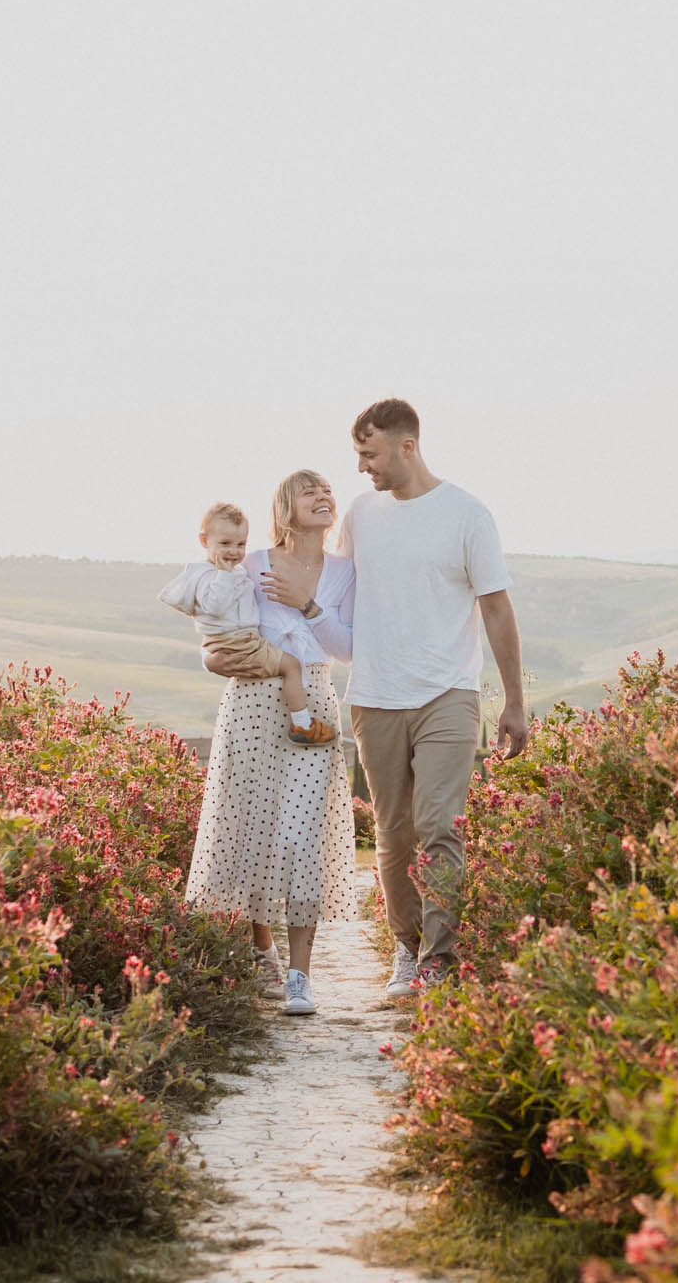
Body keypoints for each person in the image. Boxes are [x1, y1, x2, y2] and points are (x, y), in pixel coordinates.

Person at [335, 398, 527, 998]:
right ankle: (407, 947)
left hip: (449, 693)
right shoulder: (361, 516)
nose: (363, 467)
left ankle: (439, 960)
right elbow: (333, 600)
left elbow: (496, 607)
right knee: (393, 832)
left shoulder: (467, 515)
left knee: (440, 825)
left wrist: (514, 702)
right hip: (374, 696)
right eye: (358, 455)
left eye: (369, 453)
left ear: (406, 446)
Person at [185, 470, 360, 1015]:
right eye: (310, 491)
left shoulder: (343, 571)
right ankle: (261, 947)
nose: (324, 497)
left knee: (302, 834)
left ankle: (300, 976)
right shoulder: (251, 559)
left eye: (328, 490)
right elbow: (215, 625)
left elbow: (348, 647)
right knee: (255, 826)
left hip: (314, 701)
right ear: (285, 507)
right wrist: (214, 655)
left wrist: (307, 605)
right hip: (251, 702)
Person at [159, 502, 335, 745]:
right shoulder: (209, 576)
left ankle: (301, 721)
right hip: (240, 643)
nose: (233, 551)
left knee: (289, 665)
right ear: (203, 541)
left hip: (241, 640)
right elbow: (214, 608)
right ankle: (302, 724)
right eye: (225, 544)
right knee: (292, 666)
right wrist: (224, 575)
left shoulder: (237, 569)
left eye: (240, 544)